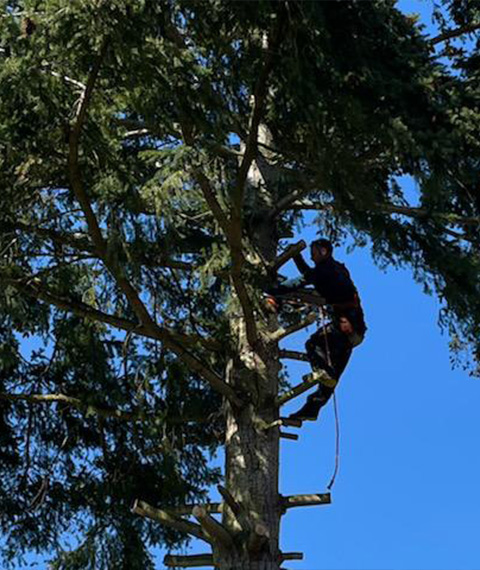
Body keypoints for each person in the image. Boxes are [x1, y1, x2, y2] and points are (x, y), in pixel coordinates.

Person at [273, 239, 367, 421]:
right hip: (355, 332)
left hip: (345, 326)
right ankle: (311, 410)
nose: (311, 255)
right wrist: (296, 257)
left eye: (313, 252)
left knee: (313, 344)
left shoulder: (326, 270)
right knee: (330, 381)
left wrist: (274, 290)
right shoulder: (334, 270)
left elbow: (301, 281)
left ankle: (323, 371)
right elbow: (311, 275)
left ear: (323, 251)